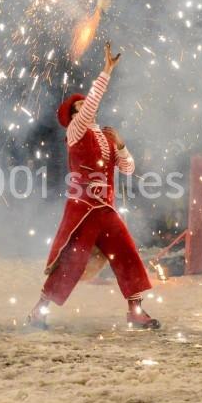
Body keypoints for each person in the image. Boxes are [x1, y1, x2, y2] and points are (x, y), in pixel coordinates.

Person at [27, 41, 157, 330]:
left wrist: (122, 147)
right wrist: (106, 72)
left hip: (105, 209)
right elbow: (90, 108)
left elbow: (128, 169)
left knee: (127, 254)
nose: (86, 106)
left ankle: (135, 311)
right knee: (70, 265)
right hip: (83, 210)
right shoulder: (75, 131)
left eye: (86, 103)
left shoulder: (106, 136)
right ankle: (38, 311)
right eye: (79, 106)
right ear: (72, 116)